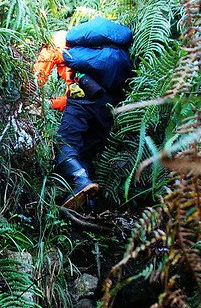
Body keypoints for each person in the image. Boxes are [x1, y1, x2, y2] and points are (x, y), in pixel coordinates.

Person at [34, 16, 133, 210]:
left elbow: (42, 73)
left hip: (86, 100)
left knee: (64, 147)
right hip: (107, 106)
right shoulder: (104, 59)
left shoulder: (60, 49)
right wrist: (49, 104)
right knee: (84, 155)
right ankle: (90, 207)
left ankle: (81, 182)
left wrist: (30, 94)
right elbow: (78, 100)